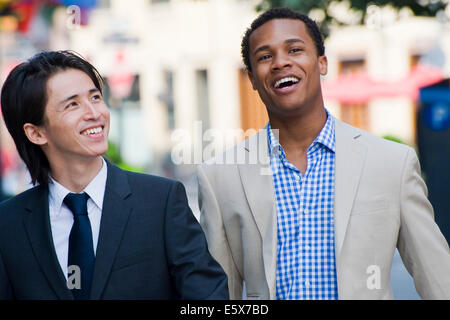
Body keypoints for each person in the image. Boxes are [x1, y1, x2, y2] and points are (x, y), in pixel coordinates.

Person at [197, 8, 450, 300]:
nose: (280, 62)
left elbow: (439, 281)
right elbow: (217, 296)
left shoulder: (392, 163)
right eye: (265, 56)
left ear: (322, 63)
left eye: (294, 49)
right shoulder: (219, 177)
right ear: (252, 78)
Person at [0, 50, 228, 300]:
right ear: (36, 133)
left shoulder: (161, 202)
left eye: (95, 97)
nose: (94, 112)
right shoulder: (9, 225)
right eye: (72, 104)